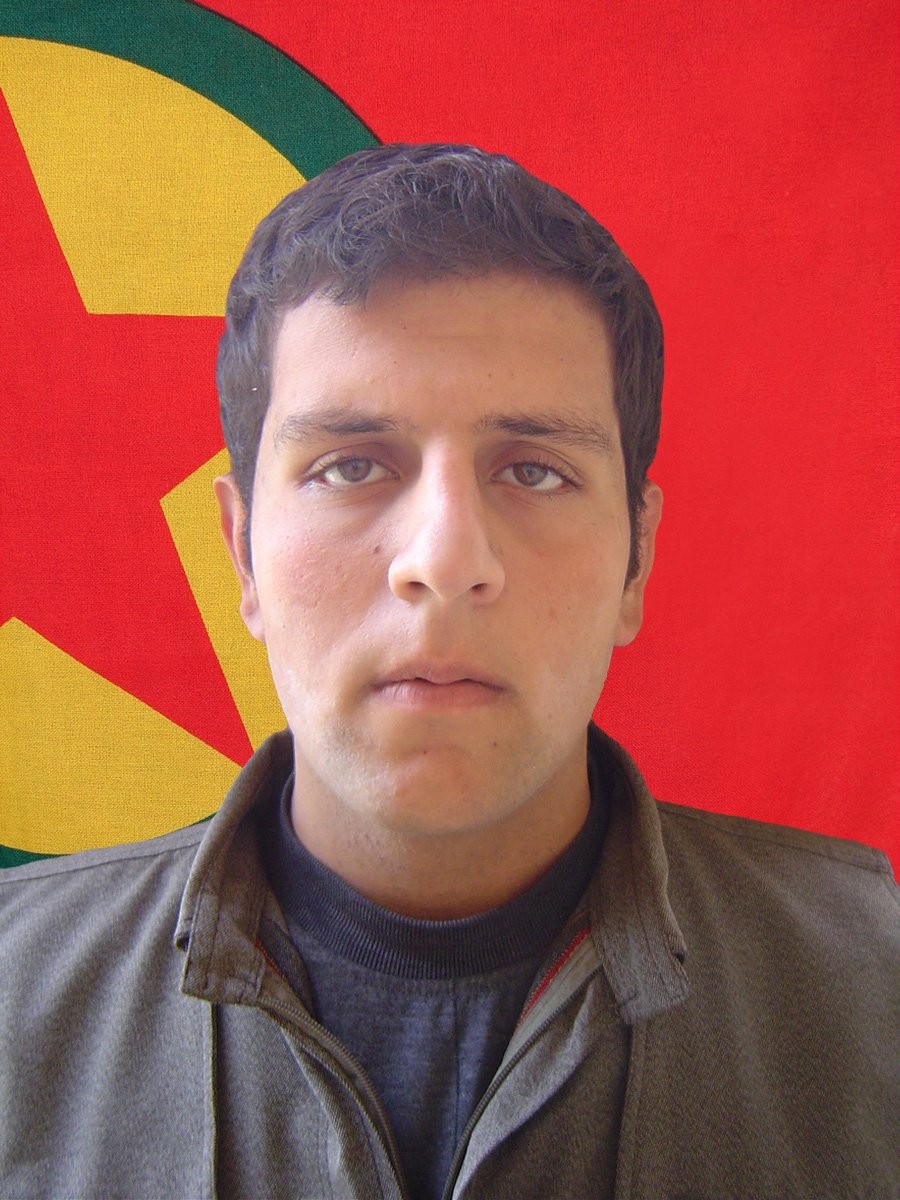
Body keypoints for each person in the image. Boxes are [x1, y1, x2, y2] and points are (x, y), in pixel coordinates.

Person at [0, 144, 897, 1199]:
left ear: (637, 561)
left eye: (535, 471)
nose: (444, 558)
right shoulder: (15, 996)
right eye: (349, 466)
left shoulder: (875, 986)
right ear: (242, 555)